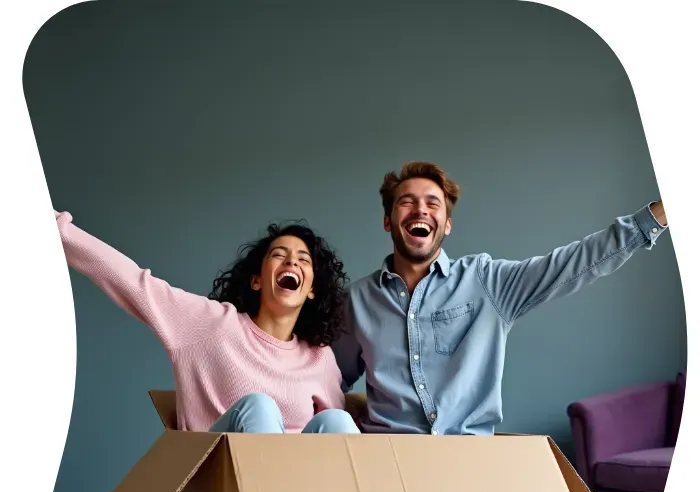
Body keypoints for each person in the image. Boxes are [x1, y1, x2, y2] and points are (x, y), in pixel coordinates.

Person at [332, 161, 669, 436]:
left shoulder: (485, 281)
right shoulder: (360, 300)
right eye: (406, 202)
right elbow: (327, 377)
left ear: (446, 225)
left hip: (470, 460)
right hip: (387, 460)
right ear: (388, 221)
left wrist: (659, 214)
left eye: (432, 203)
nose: (420, 209)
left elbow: (575, 263)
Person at [53, 210, 359, 434]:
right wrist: (55, 226)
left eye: (303, 260)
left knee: (338, 421)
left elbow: (335, 437)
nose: (291, 261)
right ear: (256, 280)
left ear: (312, 290)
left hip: (299, 484)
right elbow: (132, 282)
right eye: (279, 255)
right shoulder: (212, 324)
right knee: (260, 407)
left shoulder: (319, 358)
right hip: (219, 475)